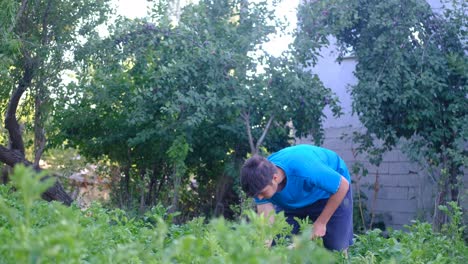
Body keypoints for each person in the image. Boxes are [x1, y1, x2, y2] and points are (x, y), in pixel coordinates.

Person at [240, 144, 353, 252]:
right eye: (256, 195)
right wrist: (265, 247)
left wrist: (321, 223)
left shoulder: (307, 169)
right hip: (293, 201)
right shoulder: (258, 181)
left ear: (275, 178)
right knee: (279, 243)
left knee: (336, 248)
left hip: (329, 193)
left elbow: (342, 186)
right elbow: (267, 223)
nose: (259, 197)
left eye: (262, 193)